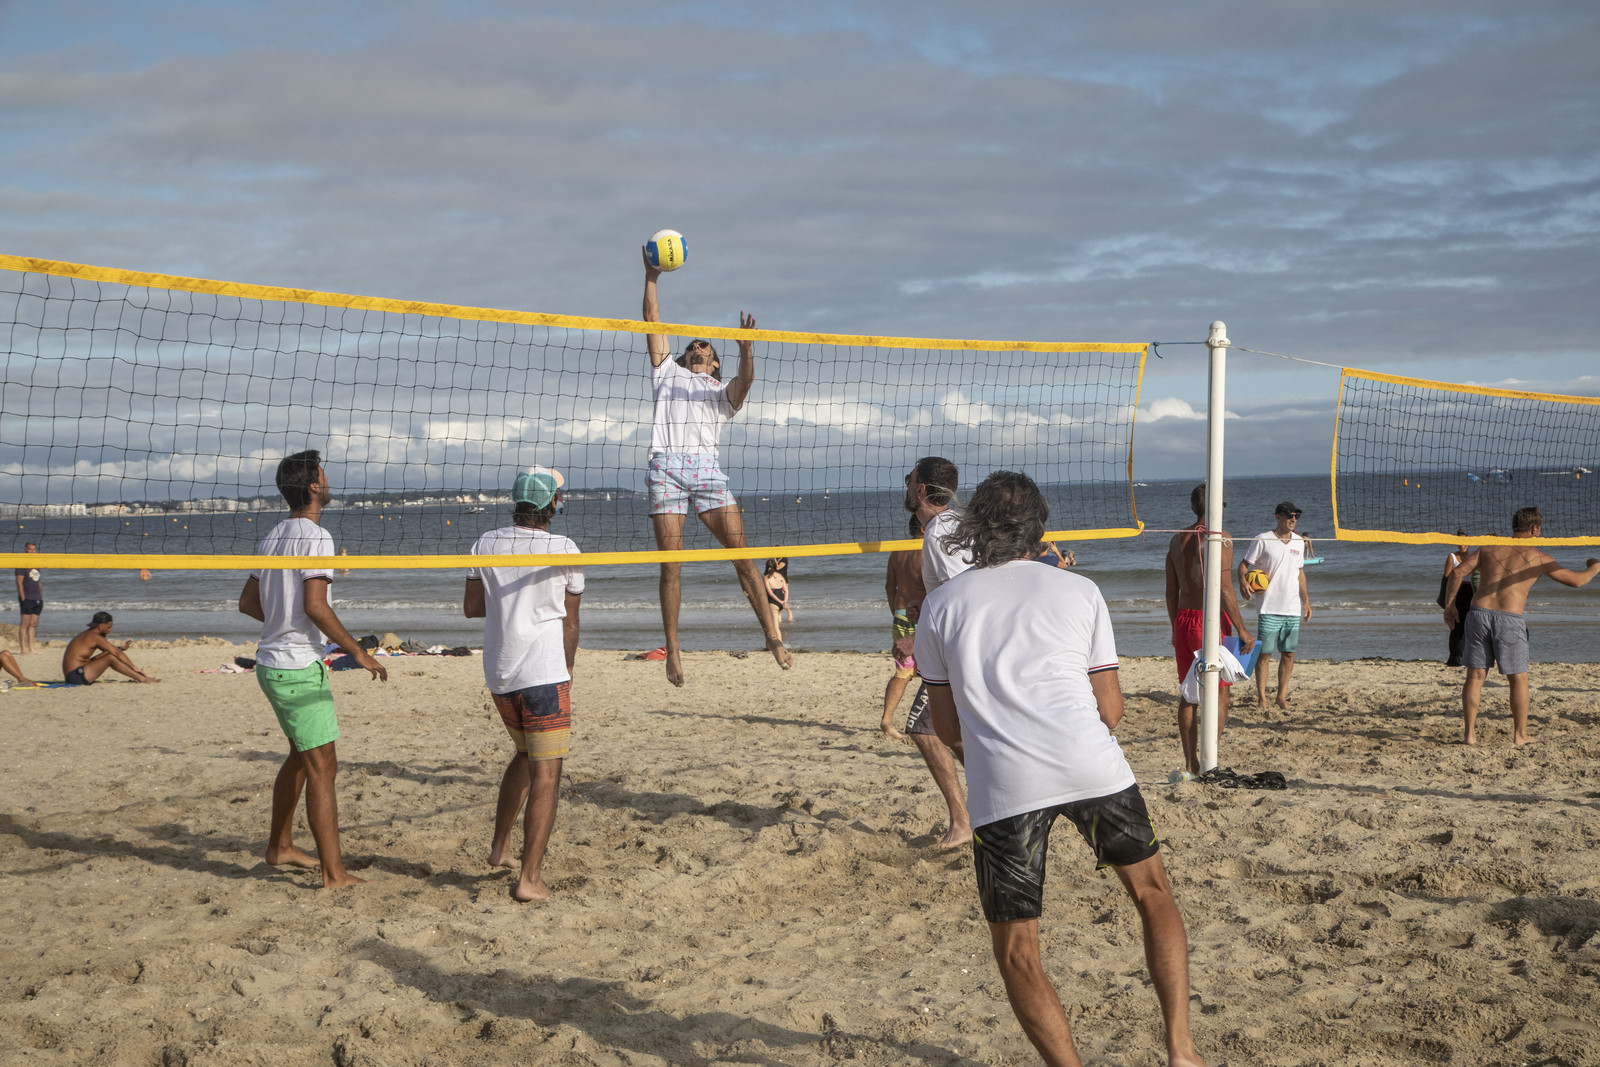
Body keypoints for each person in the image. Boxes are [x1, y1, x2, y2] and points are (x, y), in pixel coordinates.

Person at [917, 471, 1206, 1067]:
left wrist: (996, 746)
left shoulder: (941, 604)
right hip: (1090, 765)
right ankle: (1181, 1051)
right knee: (1152, 894)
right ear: (1039, 529)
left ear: (973, 527)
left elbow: (946, 730)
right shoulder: (1079, 591)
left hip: (1006, 785)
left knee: (1019, 951)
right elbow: (1111, 710)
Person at [641, 249, 791, 686]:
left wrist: (746, 351)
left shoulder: (719, 390)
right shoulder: (666, 372)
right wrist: (652, 276)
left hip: (707, 471)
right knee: (672, 565)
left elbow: (744, 385)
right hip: (666, 467)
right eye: (692, 345)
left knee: (743, 559)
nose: (697, 346)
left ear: (715, 362)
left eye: (704, 347)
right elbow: (652, 320)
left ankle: (772, 637)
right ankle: (673, 652)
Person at [238, 450, 387, 889]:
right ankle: (333, 874)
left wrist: (281, 622)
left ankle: (280, 846)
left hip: (270, 662)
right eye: (324, 474)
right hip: (297, 666)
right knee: (324, 768)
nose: (328, 479)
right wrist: (357, 650)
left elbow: (249, 604)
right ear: (314, 487)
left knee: (300, 758)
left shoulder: (272, 536)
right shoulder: (315, 537)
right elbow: (316, 606)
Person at [464, 465, 584, 902]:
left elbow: (473, 608)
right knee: (546, 773)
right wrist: (567, 672)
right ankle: (529, 879)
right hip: (543, 674)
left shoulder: (486, 542)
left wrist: (510, 601)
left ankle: (500, 850)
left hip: (500, 672)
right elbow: (570, 624)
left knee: (522, 754)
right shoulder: (564, 547)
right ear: (552, 504)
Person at [1443, 507, 1600, 746]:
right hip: (1509, 619)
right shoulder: (1538, 557)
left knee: (1474, 677)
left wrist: (1450, 606)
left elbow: (1458, 573)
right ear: (1535, 529)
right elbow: (1577, 582)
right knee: (1518, 679)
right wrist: (1595, 568)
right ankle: (1519, 735)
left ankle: (1469, 736)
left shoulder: (1488, 546)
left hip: (1479, 614)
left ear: (1514, 526)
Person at [900, 456, 972, 850]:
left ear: (922, 490)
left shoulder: (937, 535)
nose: (907, 486)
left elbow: (960, 598)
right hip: (966, 647)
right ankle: (995, 795)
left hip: (954, 650)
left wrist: (915, 639)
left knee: (924, 730)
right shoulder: (958, 525)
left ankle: (962, 823)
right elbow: (960, 588)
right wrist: (925, 604)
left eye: (909, 480)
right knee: (954, 733)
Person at [1165, 484, 1253, 776]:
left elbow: (1170, 592)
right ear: (1219, 507)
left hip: (1184, 618)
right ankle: (1208, 758)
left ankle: (1191, 763)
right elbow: (1224, 588)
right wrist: (1242, 629)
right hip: (1210, 619)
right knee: (1219, 692)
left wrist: (1175, 627)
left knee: (1190, 693)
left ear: (1193, 508)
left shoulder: (1177, 540)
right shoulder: (1221, 538)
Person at [1237, 501, 1312, 709]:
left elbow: (1300, 574)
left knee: (1289, 654)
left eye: (1296, 516)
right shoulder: (1263, 540)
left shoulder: (1298, 542)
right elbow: (1243, 566)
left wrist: (1306, 601)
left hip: (1292, 608)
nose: (1293, 519)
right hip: (1269, 607)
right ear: (1278, 516)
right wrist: (1243, 582)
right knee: (1265, 654)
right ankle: (1262, 698)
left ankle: (1281, 697)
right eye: (1289, 515)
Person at [881, 515, 924, 740]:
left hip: (900, 614)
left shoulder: (897, 550)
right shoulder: (928, 550)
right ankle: (887, 719)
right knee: (908, 673)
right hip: (920, 616)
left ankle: (889, 719)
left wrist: (895, 612)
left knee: (910, 671)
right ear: (925, 528)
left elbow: (890, 585)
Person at [62, 611, 160, 685]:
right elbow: (115, 654)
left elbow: (111, 651)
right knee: (111, 658)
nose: (110, 630)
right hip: (75, 677)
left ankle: (138, 677)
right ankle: (142, 678)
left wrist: (120, 648)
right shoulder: (94, 637)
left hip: (77, 673)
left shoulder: (88, 634)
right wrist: (135, 668)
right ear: (101, 626)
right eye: (109, 627)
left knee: (109, 654)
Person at [1441, 529, 1475, 667]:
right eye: (1459, 542)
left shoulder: (1473, 557)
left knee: (1469, 624)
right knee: (1456, 624)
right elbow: (1447, 579)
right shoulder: (1452, 557)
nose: (1462, 545)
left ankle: (1464, 655)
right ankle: (1454, 657)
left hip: (1470, 591)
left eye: (1464, 542)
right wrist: (1449, 601)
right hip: (1456, 591)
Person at [14, 542, 41, 654]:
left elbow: (39, 582)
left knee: (33, 624)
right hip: (27, 598)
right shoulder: (21, 564)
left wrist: (40, 596)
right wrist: (23, 599)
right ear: (25, 550)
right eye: (30, 549)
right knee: (24, 624)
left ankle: (31, 648)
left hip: (37, 598)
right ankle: (23, 649)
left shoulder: (36, 564)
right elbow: (19, 583)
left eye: (34, 549)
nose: (32, 551)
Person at [763, 558, 793, 627]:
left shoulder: (766, 577)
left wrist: (780, 601)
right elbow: (786, 591)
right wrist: (784, 601)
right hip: (782, 600)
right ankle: (782, 614)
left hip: (774, 601)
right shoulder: (780, 576)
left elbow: (770, 593)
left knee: (775, 628)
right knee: (778, 623)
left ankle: (787, 611)